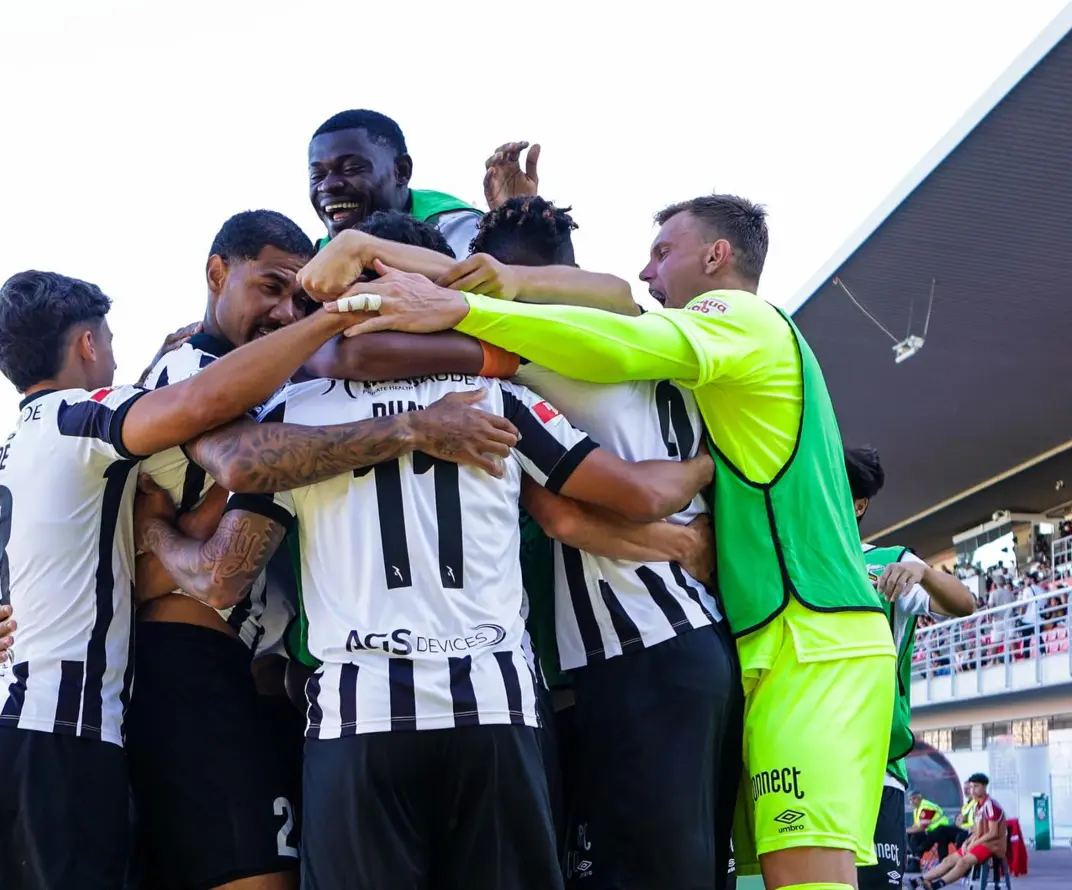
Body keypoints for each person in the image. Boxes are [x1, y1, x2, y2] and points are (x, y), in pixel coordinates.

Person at [320, 193, 899, 890]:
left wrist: (372, 268)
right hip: (720, 644)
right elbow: (586, 292)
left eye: (665, 252)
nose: (647, 273)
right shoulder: (649, 341)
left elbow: (595, 492)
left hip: (737, 642)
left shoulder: (643, 339)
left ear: (716, 255)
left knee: (793, 875)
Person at [0, 265, 404, 890]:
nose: (115, 358)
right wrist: (324, 322)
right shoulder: (79, 419)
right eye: (108, 341)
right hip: (57, 736)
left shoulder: (12, 450)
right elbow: (198, 402)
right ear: (87, 344)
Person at [126, 209, 531, 890]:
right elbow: (223, 563)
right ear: (216, 273)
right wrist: (419, 420)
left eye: (298, 297)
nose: (285, 313)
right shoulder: (199, 367)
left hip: (276, 677)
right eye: (271, 290)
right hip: (191, 665)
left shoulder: (290, 388)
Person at [468, 197, 742, 890]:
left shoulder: (542, 352)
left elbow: (563, 518)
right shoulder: (650, 336)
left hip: (642, 647)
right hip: (689, 644)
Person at [845, 446, 975, 890]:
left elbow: (964, 603)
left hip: (877, 763)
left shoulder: (887, 563)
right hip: (810, 759)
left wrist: (921, 571)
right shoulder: (795, 557)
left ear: (859, 503)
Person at [309, 109, 482, 258]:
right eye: (317, 175)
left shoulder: (459, 228)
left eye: (351, 168)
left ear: (401, 171)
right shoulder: (315, 254)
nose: (327, 185)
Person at [912, 775, 1005, 889]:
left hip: (992, 845)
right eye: (971, 787)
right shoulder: (977, 806)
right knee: (948, 860)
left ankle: (936, 885)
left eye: (976, 786)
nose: (973, 790)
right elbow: (978, 830)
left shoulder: (990, 805)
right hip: (980, 841)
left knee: (963, 861)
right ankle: (920, 880)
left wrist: (974, 843)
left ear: (985, 787)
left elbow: (993, 833)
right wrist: (967, 842)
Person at [905, 792, 959, 866]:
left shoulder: (927, 807)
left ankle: (916, 858)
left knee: (914, 836)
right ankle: (914, 859)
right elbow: (916, 826)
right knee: (911, 835)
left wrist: (905, 830)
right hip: (931, 832)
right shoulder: (917, 809)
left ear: (920, 797)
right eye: (910, 800)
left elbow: (922, 828)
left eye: (914, 798)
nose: (912, 802)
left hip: (942, 830)